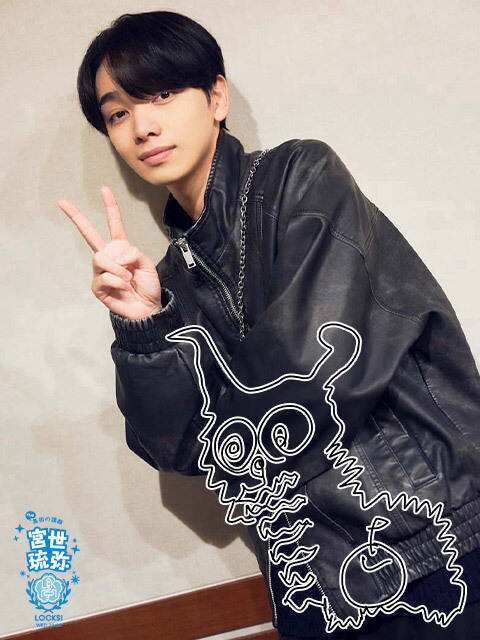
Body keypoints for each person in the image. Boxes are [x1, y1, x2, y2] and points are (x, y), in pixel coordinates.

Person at [58, 10, 480, 639]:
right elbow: (173, 451)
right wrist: (145, 327)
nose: (142, 126)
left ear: (217, 97)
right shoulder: (168, 282)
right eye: (118, 113)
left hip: (432, 547)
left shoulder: (300, 178)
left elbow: (316, 378)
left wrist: (219, 428)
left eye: (162, 94)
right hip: (308, 587)